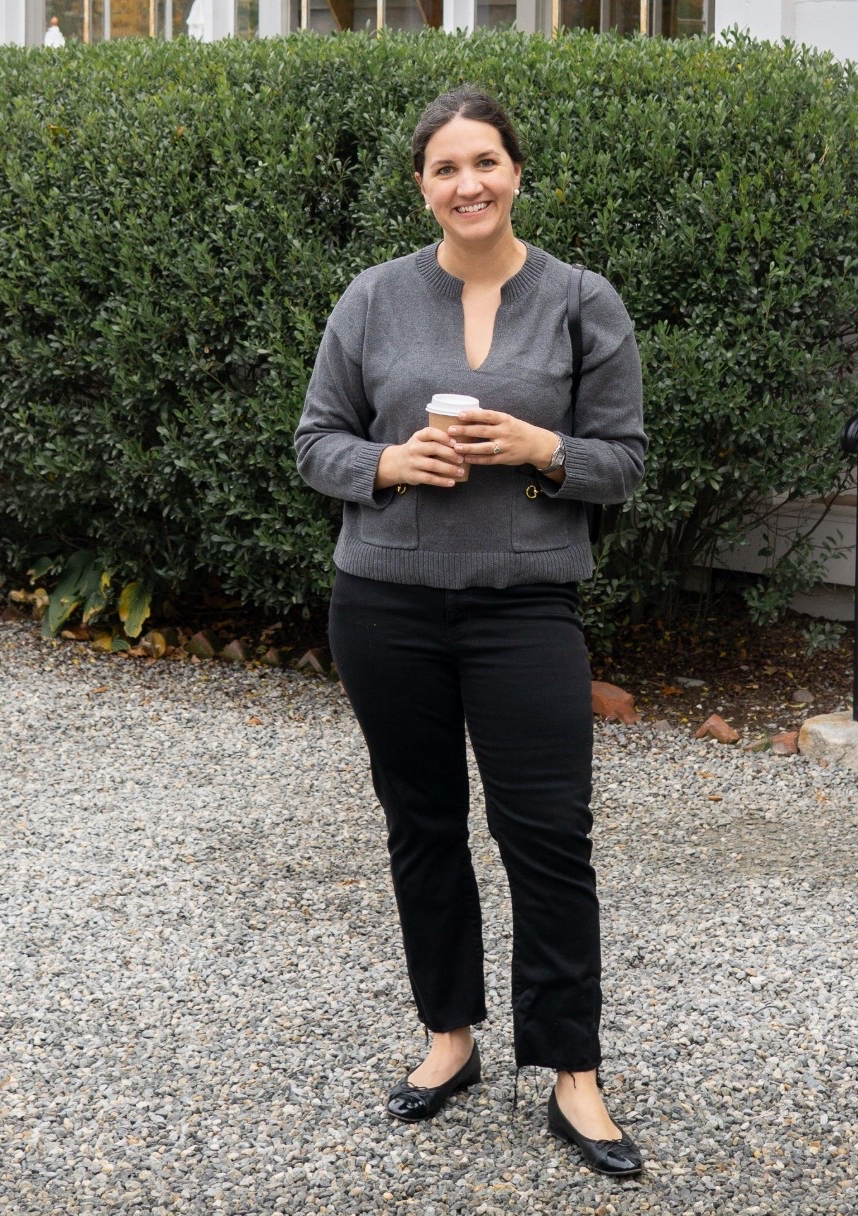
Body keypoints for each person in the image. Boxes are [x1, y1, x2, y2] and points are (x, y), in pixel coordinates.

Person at [295, 85, 647, 1178]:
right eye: (446, 168)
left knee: (548, 832)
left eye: (485, 161)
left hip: (525, 604)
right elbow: (315, 441)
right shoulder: (373, 297)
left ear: (516, 172)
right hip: (385, 600)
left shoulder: (581, 300)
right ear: (423, 186)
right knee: (422, 822)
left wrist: (545, 448)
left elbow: (623, 461)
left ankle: (573, 1070)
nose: (468, 183)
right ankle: (449, 1034)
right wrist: (389, 462)